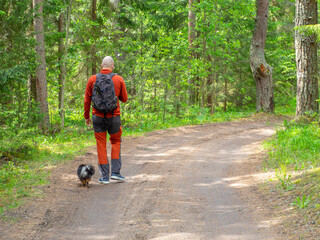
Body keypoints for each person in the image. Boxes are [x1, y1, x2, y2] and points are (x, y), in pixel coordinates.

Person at [84, 56, 128, 184]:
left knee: (101, 144)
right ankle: (116, 173)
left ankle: (104, 177)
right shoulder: (118, 79)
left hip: (97, 117)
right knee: (115, 141)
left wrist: (87, 117)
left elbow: (87, 100)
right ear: (112, 66)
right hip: (114, 117)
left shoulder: (92, 79)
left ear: (101, 65)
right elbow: (124, 99)